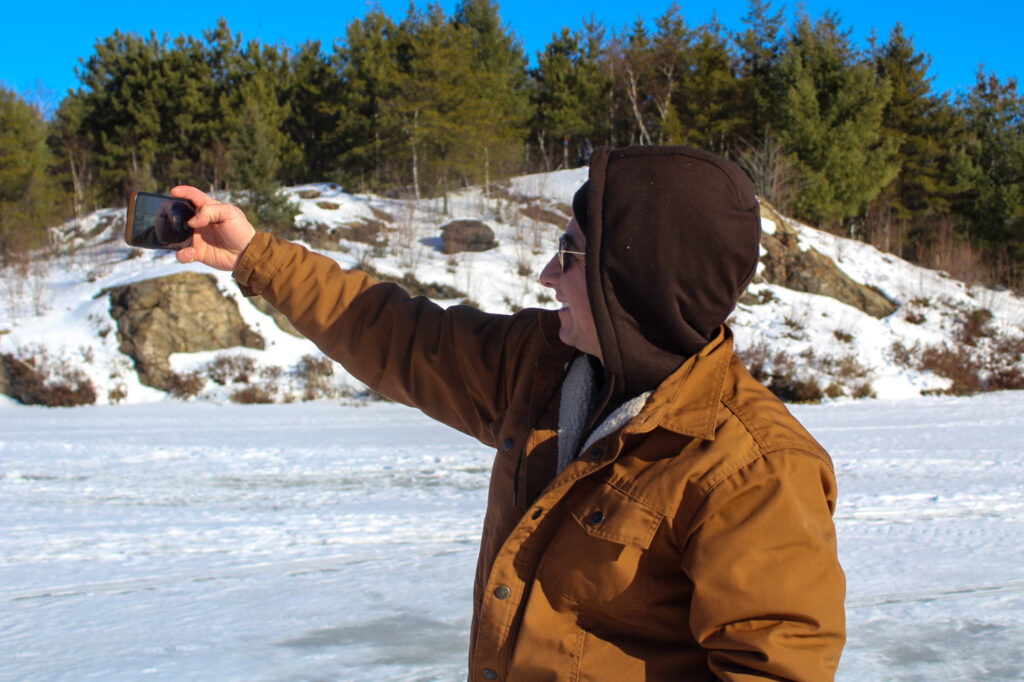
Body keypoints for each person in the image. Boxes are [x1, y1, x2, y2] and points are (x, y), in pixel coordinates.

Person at [173, 145, 846, 681]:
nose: (548, 275)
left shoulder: (757, 471)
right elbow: (396, 335)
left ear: (635, 288)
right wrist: (255, 256)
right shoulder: (541, 365)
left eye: (572, 255)